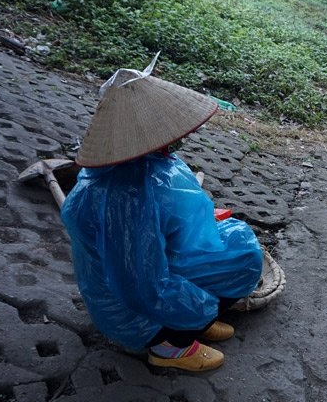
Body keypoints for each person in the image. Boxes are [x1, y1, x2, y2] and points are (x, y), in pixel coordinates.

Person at [61, 53, 263, 372]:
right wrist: (202, 309)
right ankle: (171, 344)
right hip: (132, 315)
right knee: (245, 259)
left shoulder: (129, 165)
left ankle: (188, 323)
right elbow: (143, 287)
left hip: (148, 269)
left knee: (235, 240)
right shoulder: (125, 196)